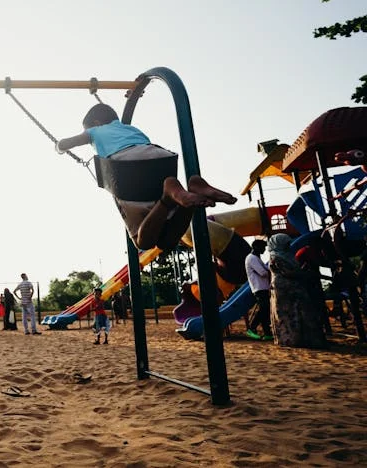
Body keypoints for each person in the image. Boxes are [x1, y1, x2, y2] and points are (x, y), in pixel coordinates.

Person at [56, 103, 236, 250]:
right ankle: (192, 189)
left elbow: (69, 142)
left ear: (95, 123)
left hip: (128, 169)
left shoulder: (95, 131)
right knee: (166, 242)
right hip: (160, 160)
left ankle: (168, 195)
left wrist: (60, 147)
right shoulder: (130, 129)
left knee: (143, 242)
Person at [267, 234, 327, 349]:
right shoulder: (276, 257)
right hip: (285, 290)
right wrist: (304, 274)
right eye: (286, 244)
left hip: (295, 288)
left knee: (300, 312)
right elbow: (288, 273)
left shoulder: (287, 256)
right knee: (290, 314)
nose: (288, 246)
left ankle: (304, 338)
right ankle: (292, 339)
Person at [244, 239, 272, 340]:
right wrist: (270, 269)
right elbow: (263, 272)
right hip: (259, 287)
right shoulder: (252, 258)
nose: (264, 250)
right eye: (263, 247)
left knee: (265, 310)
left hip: (263, 287)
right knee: (263, 309)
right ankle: (251, 328)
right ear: (256, 247)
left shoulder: (256, 258)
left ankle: (267, 333)